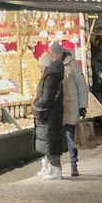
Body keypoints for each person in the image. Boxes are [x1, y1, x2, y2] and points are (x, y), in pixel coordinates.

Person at [31, 44, 66, 180]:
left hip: (49, 115)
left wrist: (36, 105)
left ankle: (55, 170)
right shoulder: (52, 75)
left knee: (51, 142)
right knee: (48, 142)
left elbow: (47, 97)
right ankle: (50, 168)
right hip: (51, 115)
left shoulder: (50, 77)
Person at [60, 40, 90, 178]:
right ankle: (60, 165)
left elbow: (82, 87)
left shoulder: (72, 66)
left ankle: (73, 163)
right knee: (67, 135)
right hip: (61, 107)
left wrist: (83, 106)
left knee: (71, 136)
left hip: (71, 105)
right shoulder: (56, 66)